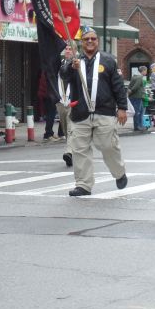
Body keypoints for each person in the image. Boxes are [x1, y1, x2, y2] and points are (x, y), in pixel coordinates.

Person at [60, 27, 128, 196]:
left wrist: (122, 108)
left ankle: (119, 173)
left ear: (97, 41)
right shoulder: (74, 62)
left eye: (93, 39)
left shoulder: (108, 60)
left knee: (108, 146)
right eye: (86, 39)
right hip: (80, 113)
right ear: (81, 43)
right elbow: (63, 75)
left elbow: (118, 86)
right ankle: (83, 184)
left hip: (104, 112)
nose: (90, 41)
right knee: (79, 150)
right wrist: (71, 68)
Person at [57, 45, 74, 166]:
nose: (67, 51)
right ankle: (73, 152)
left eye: (70, 49)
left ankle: (69, 152)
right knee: (65, 129)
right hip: (60, 101)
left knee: (71, 128)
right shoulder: (60, 64)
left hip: (72, 101)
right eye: (66, 49)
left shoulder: (77, 64)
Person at [38, 71, 58, 141]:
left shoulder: (46, 72)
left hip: (48, 95)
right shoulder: (48, 73)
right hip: (49, 96)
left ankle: (50, 133)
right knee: (50, 115)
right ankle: (48, 134)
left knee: (51, 115)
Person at [128, 65, 147, 131]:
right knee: (137, 112)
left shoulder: (135, 76)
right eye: (146, 71)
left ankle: (140, 125)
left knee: (140, 111)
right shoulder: (139, 77)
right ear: (143, 70)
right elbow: (136, 87)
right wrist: (131, 91)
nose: (146, 72)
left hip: (136, 97)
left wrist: (130, 91)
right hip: (137, 96)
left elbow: (130, 86)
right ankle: (137, 126)